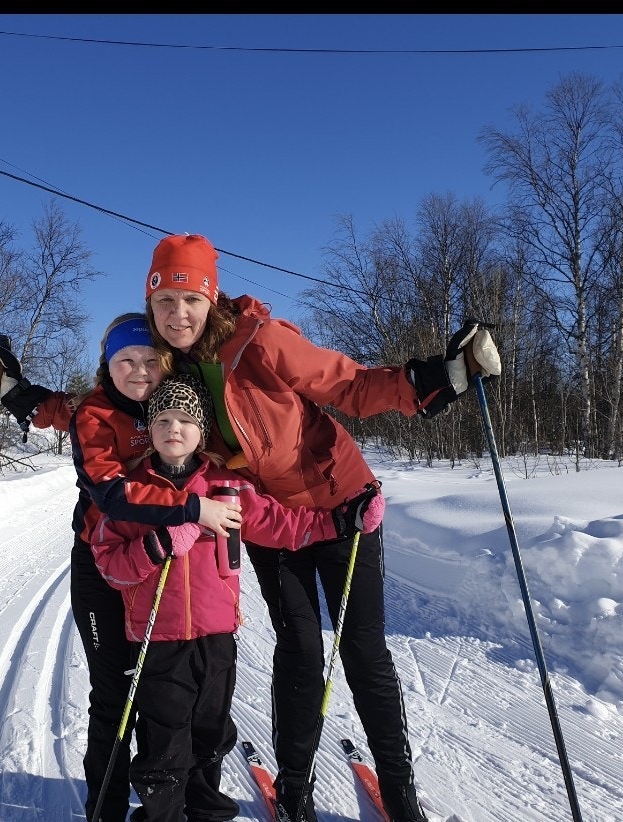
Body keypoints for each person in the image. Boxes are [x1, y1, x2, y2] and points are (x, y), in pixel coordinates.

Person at [141, 233, 501, 822]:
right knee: (301, 651)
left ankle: (401, 792)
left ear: (212, 298)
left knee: (362, 651)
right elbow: (109, 399)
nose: (178, 314)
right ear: (150, 305)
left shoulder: (259, 342)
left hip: (345, 506)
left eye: (190, 299)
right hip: (275, 523)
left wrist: (442, 377)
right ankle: (295, 790)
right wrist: (24, 397)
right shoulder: (164, 370)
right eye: (165, 301)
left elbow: (349, 385)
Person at [0, 315, 242, 822]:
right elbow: (110, 491)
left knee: (173, 694)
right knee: (116, 694)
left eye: (150, 360)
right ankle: (107, 809)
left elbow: (50, 407)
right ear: (108, 365)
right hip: (105, 564)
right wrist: (193, 509)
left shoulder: (178, 403)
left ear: (166, 364)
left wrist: (16, 389)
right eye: (126, 360)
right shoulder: (95, 412)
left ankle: (177, 798)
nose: (139, 370)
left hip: (168, 566)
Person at [89, 374, 383, 822]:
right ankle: (161, 815)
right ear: (149, 429)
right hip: (158, 640)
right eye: (162, 420)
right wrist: (157, 544)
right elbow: (109, 564)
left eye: (185, 420)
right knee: (166, 742)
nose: (173, 428)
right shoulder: (133, 491)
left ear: (202, 431)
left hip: (217, 637)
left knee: (212, 733)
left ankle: (205, 808)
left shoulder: (226, 486)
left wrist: (343, 521)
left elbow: (282, 525)